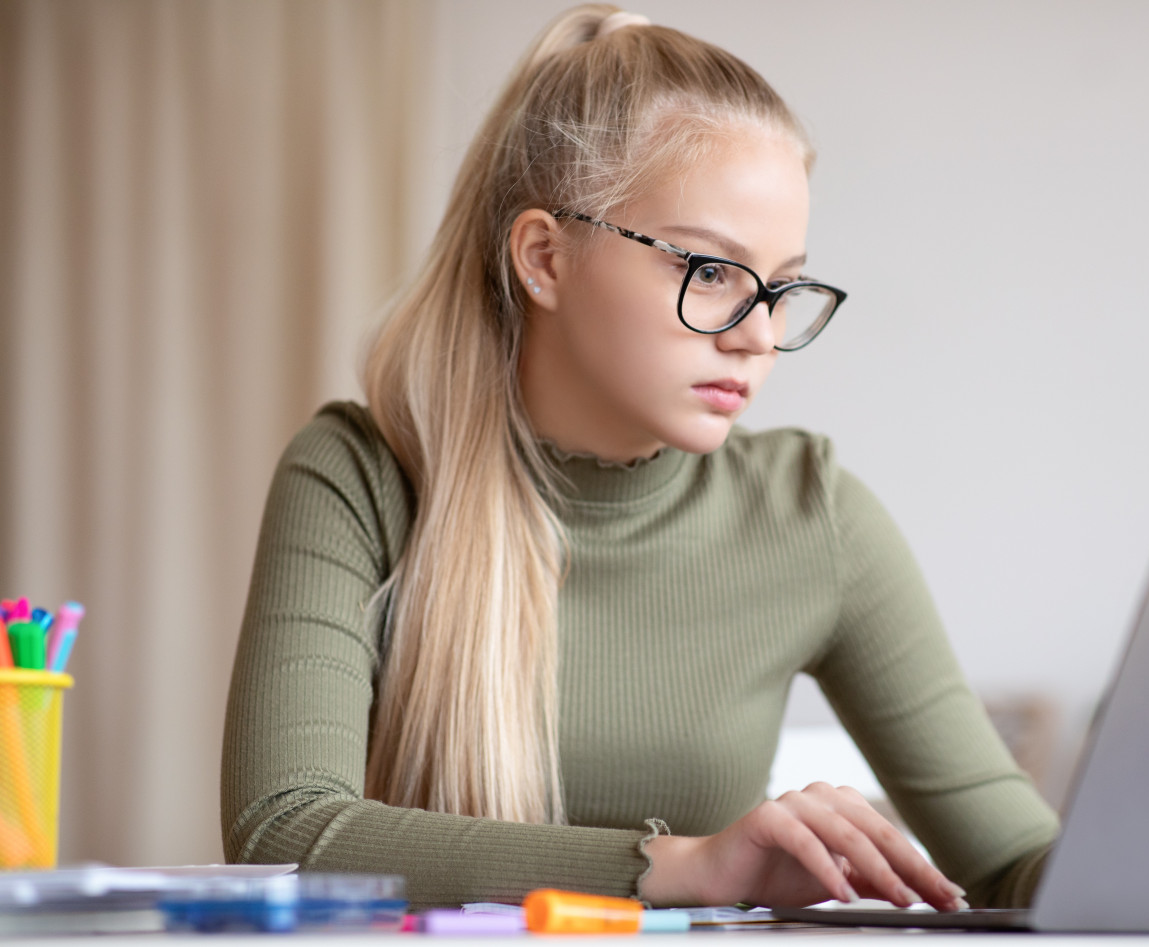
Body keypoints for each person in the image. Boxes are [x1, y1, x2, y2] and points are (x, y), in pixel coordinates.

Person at [221, 4, 1058, 912]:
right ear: (544, 257)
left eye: (781, 288)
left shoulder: (812, 514)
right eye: (710, 273)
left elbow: (1016, 856)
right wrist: (688, 867)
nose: (759, 339)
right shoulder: (358, 476)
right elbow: (285, 830)